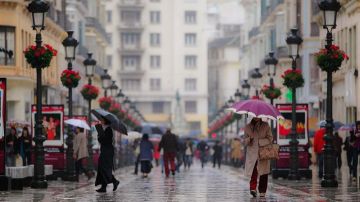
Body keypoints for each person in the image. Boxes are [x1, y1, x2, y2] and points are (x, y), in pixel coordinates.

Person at [244, 117, 273, 198]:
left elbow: (270, 138)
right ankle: (253, 188)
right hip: (252, 153)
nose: (256, 117)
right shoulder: (248, 127)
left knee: (264, 172)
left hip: (263, 151)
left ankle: (262, 190)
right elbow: (244, 141)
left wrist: (260, 141)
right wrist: (249, 139)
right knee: (253, 171)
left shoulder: (266, 125)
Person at [94, 117, 120, 193]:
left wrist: (100, 135)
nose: (101, 121)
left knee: (104, 168)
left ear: (105, 121)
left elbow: (105, 140)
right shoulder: (104, 129)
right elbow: (102, 140)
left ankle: (115, 181)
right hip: (105, 151)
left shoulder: (108, 130)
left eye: (102, 120)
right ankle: (103, 187)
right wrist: (100, 134)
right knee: (102, 167)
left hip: (107, 152)